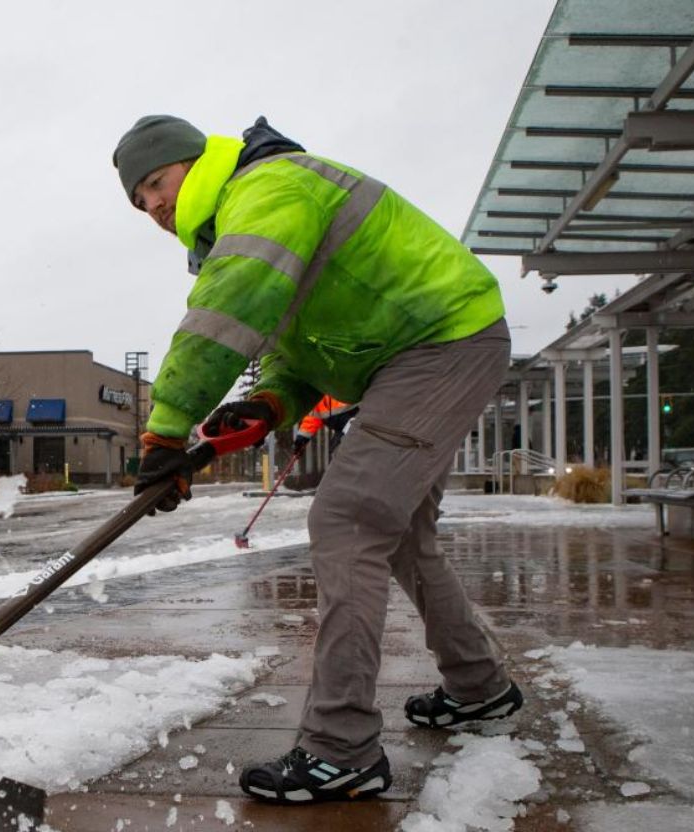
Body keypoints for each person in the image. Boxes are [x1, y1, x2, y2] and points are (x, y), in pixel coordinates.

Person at [115, 115, 523, 805]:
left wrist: (166, 430)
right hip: (417, 352)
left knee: (347, 521)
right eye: (139, 199)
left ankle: (342, 750)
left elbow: (225, 312)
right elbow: (303, 341)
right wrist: (270, 402)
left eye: (157, 182)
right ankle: (480, 688)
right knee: (404, 538)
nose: (153, 205)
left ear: (195, 160)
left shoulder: (268, 188)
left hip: (440, 340)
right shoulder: (247, 210)